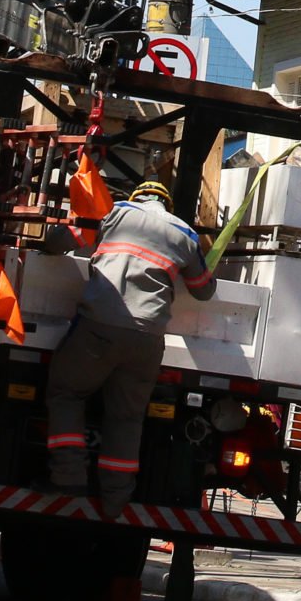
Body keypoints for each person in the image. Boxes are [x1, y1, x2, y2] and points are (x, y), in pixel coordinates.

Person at [44, 180, 214, 514]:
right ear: (165, 203)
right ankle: (115, 500)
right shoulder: (184, 233)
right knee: (127, 417)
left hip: (99, 329)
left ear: (135, 197)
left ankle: (69, 478)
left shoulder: (112, 213)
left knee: (66, 392)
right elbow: (203, 291)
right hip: (147, 341)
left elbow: (59, 242)